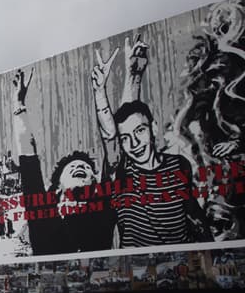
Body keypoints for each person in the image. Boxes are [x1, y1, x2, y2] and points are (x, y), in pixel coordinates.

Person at [91, 36, 212, 248]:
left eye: (140, 131)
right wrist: (100, 92)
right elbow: (111, 134)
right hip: (137, 269)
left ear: (154, 128)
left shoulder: (178, 165)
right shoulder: (122, 171)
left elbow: (194, 215)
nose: (134, 143)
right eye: (126, 139)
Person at [12, 68, 116, 255]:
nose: (79, 167)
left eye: (85, 167)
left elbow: (112, 146)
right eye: (73, 167)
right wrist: (19, 103)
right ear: (57, 186)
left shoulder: (102, 213)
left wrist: (100, 93)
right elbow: (28, 157)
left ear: (95, 181)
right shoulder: (42, 214)